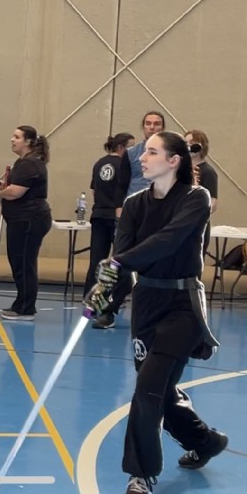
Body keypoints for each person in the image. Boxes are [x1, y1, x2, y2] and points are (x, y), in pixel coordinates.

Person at [90, 131, 225, 494]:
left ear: (173, 160)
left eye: (151, 152)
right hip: (146, 304)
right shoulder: (135, 203)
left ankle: (140, 474)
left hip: (182, 306)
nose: (142, 158)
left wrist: (117, 262)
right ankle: (205, 441)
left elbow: (167, 241)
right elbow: (121, 253)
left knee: (147, 388)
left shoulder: (196, 199)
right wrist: (103, 289)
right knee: (160, 391)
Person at [0, 126, 51, 321]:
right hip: (21, 220)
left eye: (17, 137)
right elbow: (15, 187)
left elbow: (15, 192)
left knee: (24, 262)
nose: (12, 140)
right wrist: (2, 186)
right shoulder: (22, 163)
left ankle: (26, 307)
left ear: (28, 142)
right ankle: (22, 303)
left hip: (29, 221)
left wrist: (3, 193)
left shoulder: (29, 164)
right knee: (19, 262)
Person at [83, 132, 135, 329]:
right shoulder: (124, 165)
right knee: (118, 263)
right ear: (121, 148)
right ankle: (109, 303)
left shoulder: (99, 163)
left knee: (96, 260)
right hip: (117, 216)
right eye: (131, 147)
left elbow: (95, 191)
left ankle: (90, 302)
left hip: (99, 214)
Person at [115, 111, 166, 217]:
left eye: (156, 124)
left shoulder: (171, 153)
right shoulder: (131, 153)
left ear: (162, 128)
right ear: (143, 127)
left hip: (162, 207)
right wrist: (119, 210)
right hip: (135, 207)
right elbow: (122, 183)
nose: (152, 127)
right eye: (148, 123)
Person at [185, 129, 218, 256]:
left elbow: (213, 203)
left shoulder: (208, 171)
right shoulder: (182, 169)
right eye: (186, 143)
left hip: (197, 224)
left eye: (192, 143)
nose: (188, 146)